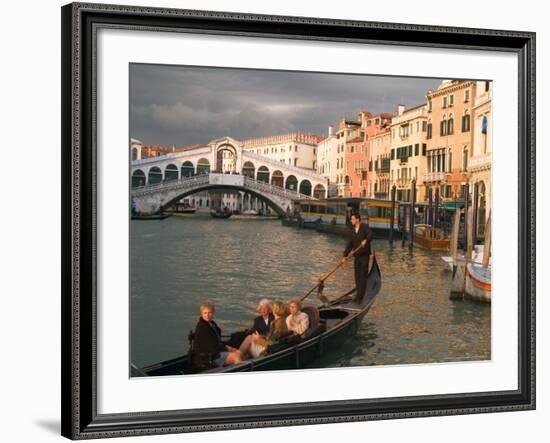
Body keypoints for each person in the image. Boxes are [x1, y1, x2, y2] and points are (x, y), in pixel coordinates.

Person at [192, 302, 242, 368]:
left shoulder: (212, 323)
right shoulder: (202, 327)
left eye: (209, 313)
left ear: (213, 313)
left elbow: (217, 341)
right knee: (236, 356)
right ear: (201, 314)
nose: (207, 315)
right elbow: (211, 346)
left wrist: (228, 347)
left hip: (214, 352)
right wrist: (227, 349)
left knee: (240, 353)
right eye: (205, 313)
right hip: (208, 357)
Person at [341, 212, 374, 303]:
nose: (351, 221)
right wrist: (344, 255)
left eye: (352, 219)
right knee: (357, 277)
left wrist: (366, 240)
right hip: (357, 257)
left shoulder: (364, 227)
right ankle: (358, 295)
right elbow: (349, 245)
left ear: (357, 219)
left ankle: (360, 297)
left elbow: (370, 234)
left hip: (364, 256)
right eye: (351, 219)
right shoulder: (352, 231)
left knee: (362, 277)